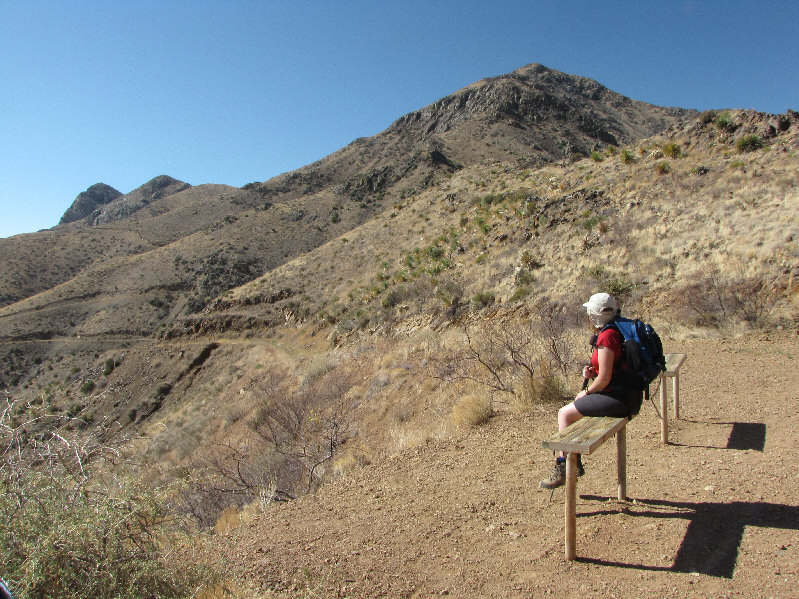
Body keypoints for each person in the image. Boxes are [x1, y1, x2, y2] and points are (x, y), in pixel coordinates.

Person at [539, 292, 642, 489]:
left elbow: (604, 379)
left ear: (595, 314)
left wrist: (586, 392)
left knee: (565, 414)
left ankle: (567, 467)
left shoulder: (607, 336)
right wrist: (593, 372)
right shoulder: (617, 329)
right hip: (627, 395)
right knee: (570, 411)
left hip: (619, 399)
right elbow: (611, 369)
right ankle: (571, 464)